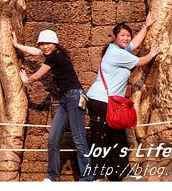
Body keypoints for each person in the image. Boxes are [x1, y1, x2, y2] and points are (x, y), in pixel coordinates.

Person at [12, 29, 93, 182]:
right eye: (42, 44)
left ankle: (87, 178)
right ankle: (53, 176)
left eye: (48, 43)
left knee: (79, 138)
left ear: (55, 44)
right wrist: (16, 45)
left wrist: (26, 80)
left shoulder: (55, 56)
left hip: (75, 97)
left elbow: (38, 75)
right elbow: (35, 52)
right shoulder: (52, 54)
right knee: (53, 139)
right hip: (64, 100)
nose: (44, 47)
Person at [87, 13, 159, 181]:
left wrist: (146, 26)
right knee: (100, 138)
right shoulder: (115, 53)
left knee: (117, 138)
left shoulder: (118, 50)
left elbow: (134, 44)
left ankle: (123, 174)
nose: (126, 38)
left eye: (128, 35)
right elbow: (141, 61)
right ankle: (98, 176)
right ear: (115, 37)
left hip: (110, 103)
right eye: (122, 35)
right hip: (101, 101)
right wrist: (153, 53)